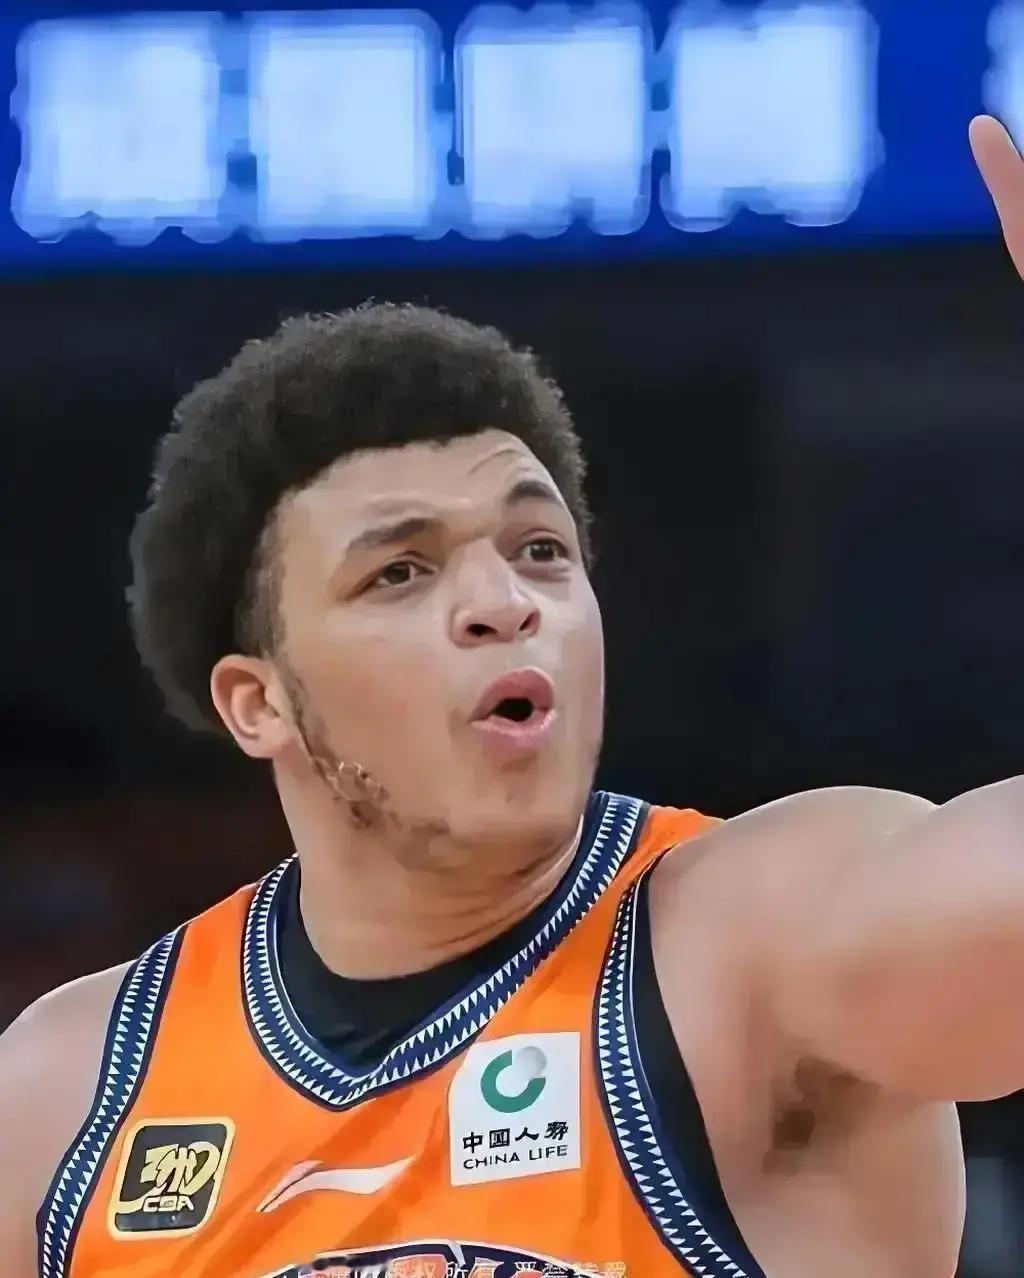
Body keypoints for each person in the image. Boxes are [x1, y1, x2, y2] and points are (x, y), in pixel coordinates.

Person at [2, 115, 1023, 1278]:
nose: (503, 602)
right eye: (400, 572)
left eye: (539, 551)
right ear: (259, 703)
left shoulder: (754, 947)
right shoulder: (65, 1099)